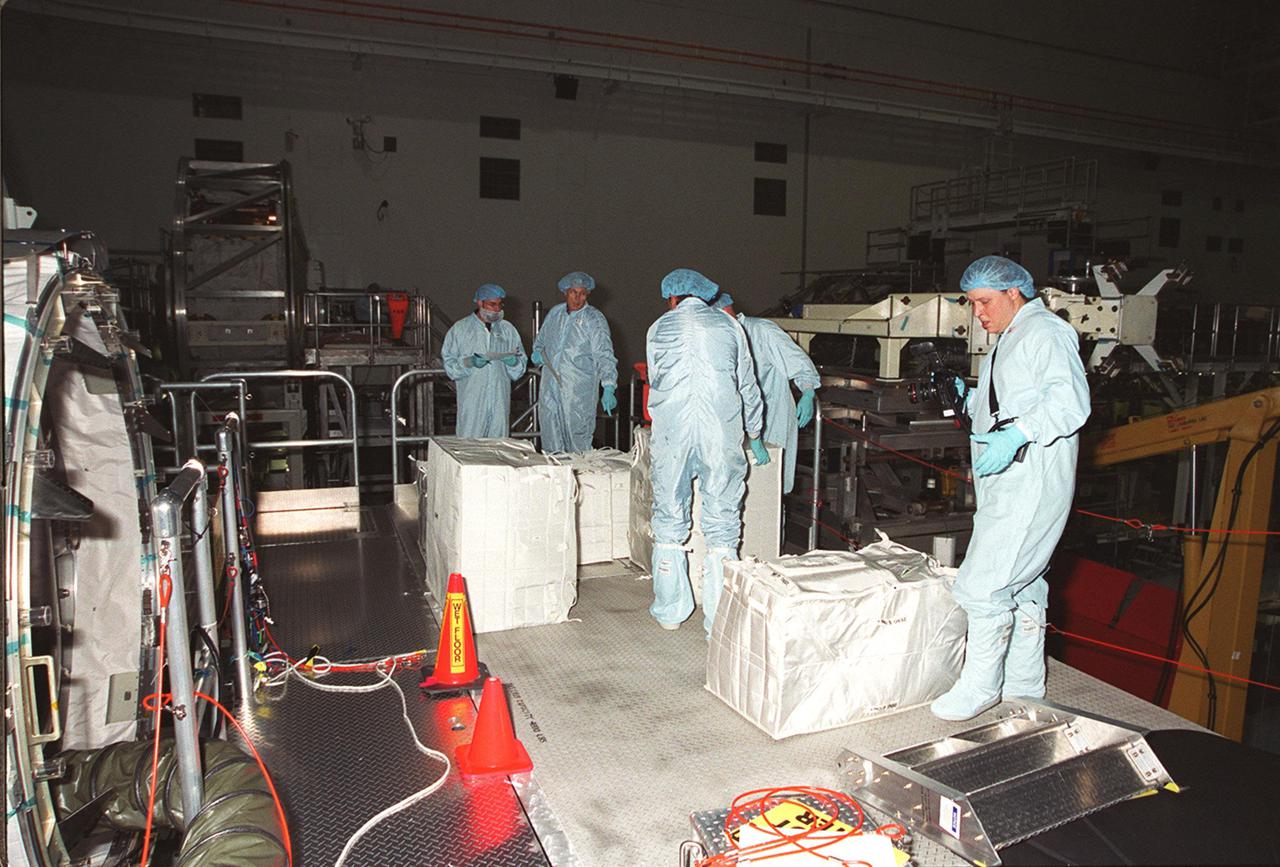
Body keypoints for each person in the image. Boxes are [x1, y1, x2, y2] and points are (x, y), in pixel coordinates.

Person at [930, 255, 1090, 721]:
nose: (977, 313)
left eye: (983, 302)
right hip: (1009, 480)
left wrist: (1018, 434)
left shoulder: (1046, 333)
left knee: (982, 586)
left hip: (1031, 479)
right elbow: (1013, 396)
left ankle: (980, 686)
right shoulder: (1013, 335)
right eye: (972, 303)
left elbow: (1070, 402)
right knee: (1023, 583)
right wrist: (970, 397)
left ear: (1013, 293)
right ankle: (1023, 682)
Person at [646, 268, 769, 635]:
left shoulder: (659, 329)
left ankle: (670, 611)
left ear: (672, 298)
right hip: (721, 432)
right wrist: (755, 432)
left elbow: (656, 378)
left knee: (669, 518)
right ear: (707, 296)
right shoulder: (730, 327)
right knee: (723, 524)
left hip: (673, 434)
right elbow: (747, 382)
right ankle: (719, 619)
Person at [712, 292, 820, 494]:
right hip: (738, 427)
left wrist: (807, 392)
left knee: (770, 493)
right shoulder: (721, 339)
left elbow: (799, 364)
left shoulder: (762, 331)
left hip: (772, 421)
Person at [529, 271, 619, 453]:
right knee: (551, 436)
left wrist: (608, 385)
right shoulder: (555, 314)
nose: (577, 298)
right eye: (573, 292)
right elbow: (540, 342)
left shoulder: (594, 319)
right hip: (549, 388)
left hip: (578, 392)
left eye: (582, 293)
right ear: (565, 292)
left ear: (588, 294)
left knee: (577, 440)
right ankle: (554, 479)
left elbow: (604, 354)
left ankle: (580, 480)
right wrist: (537, 352)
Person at [442, 284, 528, 438]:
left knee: (498, 448)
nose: (496, 309)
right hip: (472, 401)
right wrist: (469, 362)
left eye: (499, 304)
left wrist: (514, 363)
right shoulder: (460, 330)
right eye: (492, 304)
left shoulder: (508, 330)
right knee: (470, 447)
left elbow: (520, 366)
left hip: (499, 402)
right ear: (480, 303)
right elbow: (450, 366)